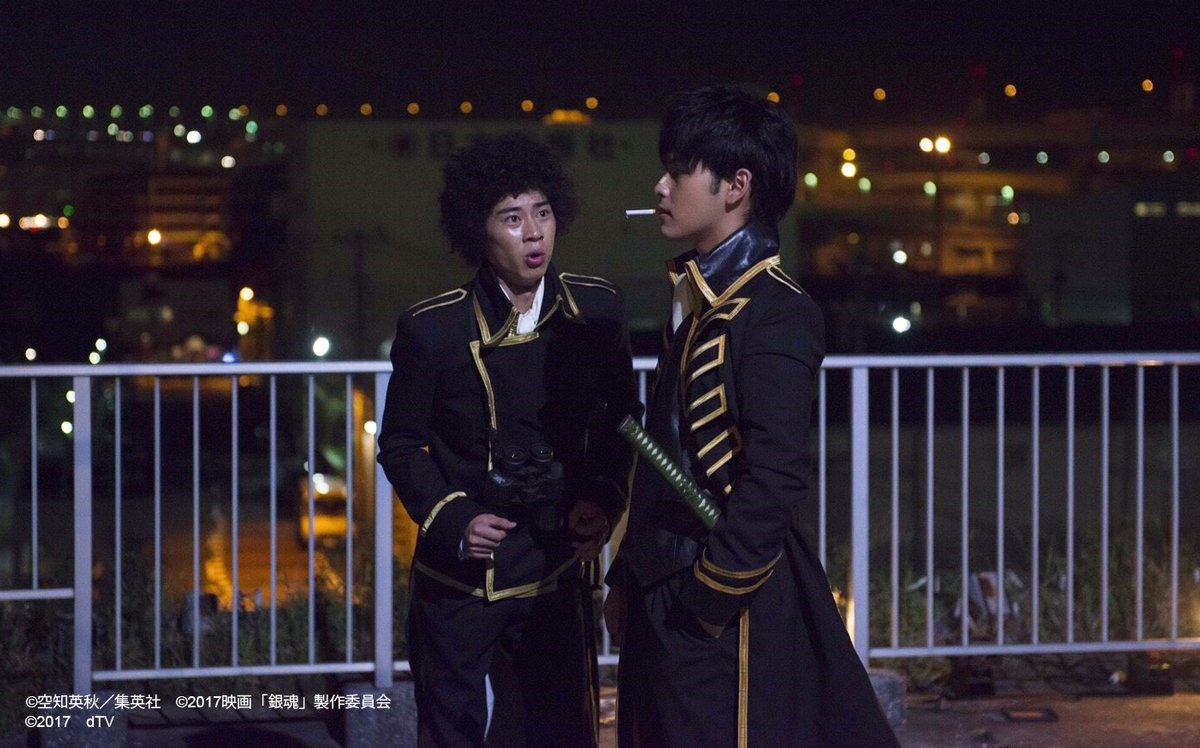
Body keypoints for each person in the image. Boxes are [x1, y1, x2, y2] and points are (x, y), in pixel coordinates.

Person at [603, 86, 899, 747]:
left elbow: (774, 478)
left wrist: (709, 599)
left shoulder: (774, 310)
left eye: (679, 171)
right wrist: (627, 574)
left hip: (722, 602)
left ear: (736, 186)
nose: (660, 187)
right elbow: (665, 458)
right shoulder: (702, 299)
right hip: (663, 587)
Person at [377, 132, 640, 747]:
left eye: (542, 213)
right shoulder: (432, 329)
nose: (534, 233)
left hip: (556, 568)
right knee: (452, 733)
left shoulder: (597, 311)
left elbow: (621, 419)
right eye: (512, 217)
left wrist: (602, 499)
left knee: (560, 731)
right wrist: (455, 518)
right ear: (479, 229)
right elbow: (400, 444)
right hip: (460, 581)